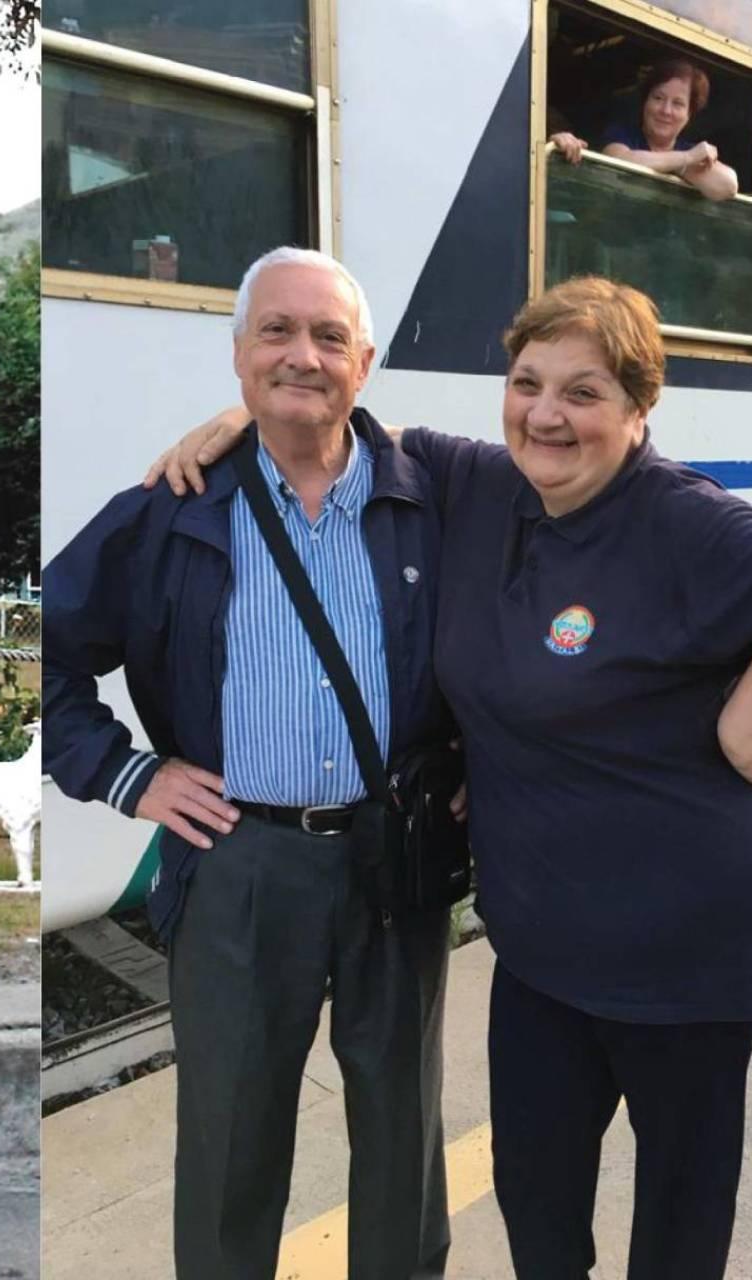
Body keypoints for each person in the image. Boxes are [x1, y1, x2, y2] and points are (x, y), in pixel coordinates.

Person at [147, 276, 752, 1279]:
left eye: (583, 393)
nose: (546, 413)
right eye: (528, 381)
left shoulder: (680, 519)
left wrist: (747, 734)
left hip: (687, 948)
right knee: (535, 1200)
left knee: (677, 1211)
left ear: (637, 409)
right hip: (540, 945)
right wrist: (244, 411)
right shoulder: (485, 484)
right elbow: (335, 412)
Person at [44, 246, 454, 1280]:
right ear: (238, 356)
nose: (301, 355)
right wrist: (129, 775)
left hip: (389, 859)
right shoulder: (170, 509)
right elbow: (35, 652)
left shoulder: (432, 500)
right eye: (276, 331)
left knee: (402, 1132)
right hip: (237, 863)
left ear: (365, 362)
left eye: (328, 336)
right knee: (230, 1143)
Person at [549, 57, 738, 201]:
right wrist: (686, 160)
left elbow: (727, 185)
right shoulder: (622, 135)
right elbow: (621, 161)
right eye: (658, 98)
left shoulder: (687, 148)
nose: (666, 111)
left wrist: (674, 164)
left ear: (689, 114)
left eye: (678, 104)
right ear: (645, 103)